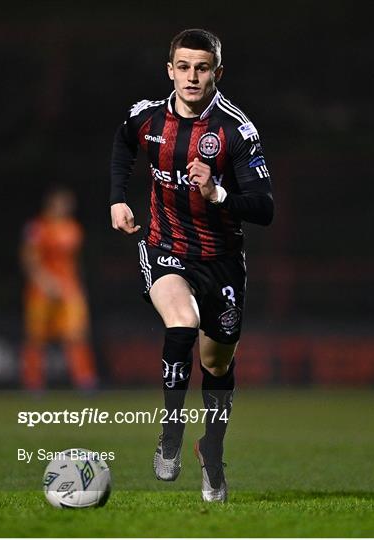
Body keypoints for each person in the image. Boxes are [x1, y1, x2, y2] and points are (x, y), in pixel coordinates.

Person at [110, 28, 273, 502]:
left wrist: (217, 194)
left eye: (202, 68)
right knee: (180, 322)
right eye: (183, 67)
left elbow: (264, 208)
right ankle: (171, 432)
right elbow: (123, 146)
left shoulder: (235, 130)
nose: (192, 77)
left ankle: (213, 450)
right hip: (165, 248)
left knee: (217, 363)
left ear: (217, 72)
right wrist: (117, 200)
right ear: (170, 71)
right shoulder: (147, 117)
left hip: (221, 262)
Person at [20, 187, 98, 391]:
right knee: (36, 337)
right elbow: (29, 259)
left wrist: (78, 287)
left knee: (76, 335)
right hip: (41, 290)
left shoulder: (73, 228)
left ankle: (85, 381)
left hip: (69, 288)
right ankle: (33, 383)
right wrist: (45, 282)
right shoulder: (37, 228)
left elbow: (75, 262)